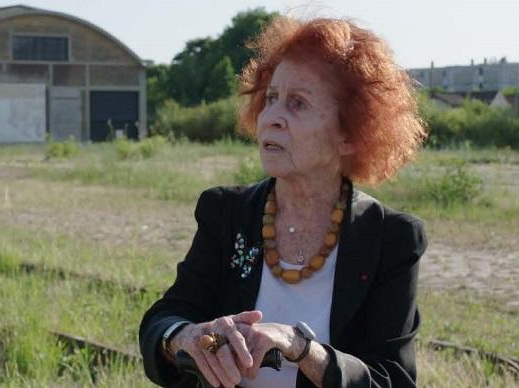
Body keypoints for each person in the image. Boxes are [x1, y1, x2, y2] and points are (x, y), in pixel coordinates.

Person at [139, 15, 428, 388]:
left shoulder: (392, 238)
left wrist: (303, 349)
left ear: (350, 133)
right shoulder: (225, 212)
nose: (271, 117)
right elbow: (164, 320)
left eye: (298, 103)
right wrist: (185, 337)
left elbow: (394, 379)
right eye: (271, 98)